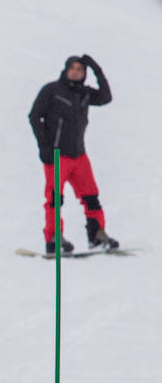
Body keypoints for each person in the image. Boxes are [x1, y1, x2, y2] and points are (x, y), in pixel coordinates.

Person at [28, 54, 116, 254]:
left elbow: (106, 97)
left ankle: (97, 235)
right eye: (73, 68)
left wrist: (97, 69)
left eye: (81, 69)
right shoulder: (51, 90)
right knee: (54, 199)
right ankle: (53, 238)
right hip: (57, 156)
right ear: (66, 70)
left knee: (91, 197)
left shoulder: (84, 93)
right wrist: (44, 146)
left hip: (79, 156)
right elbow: (34, 116)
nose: (76, 72)